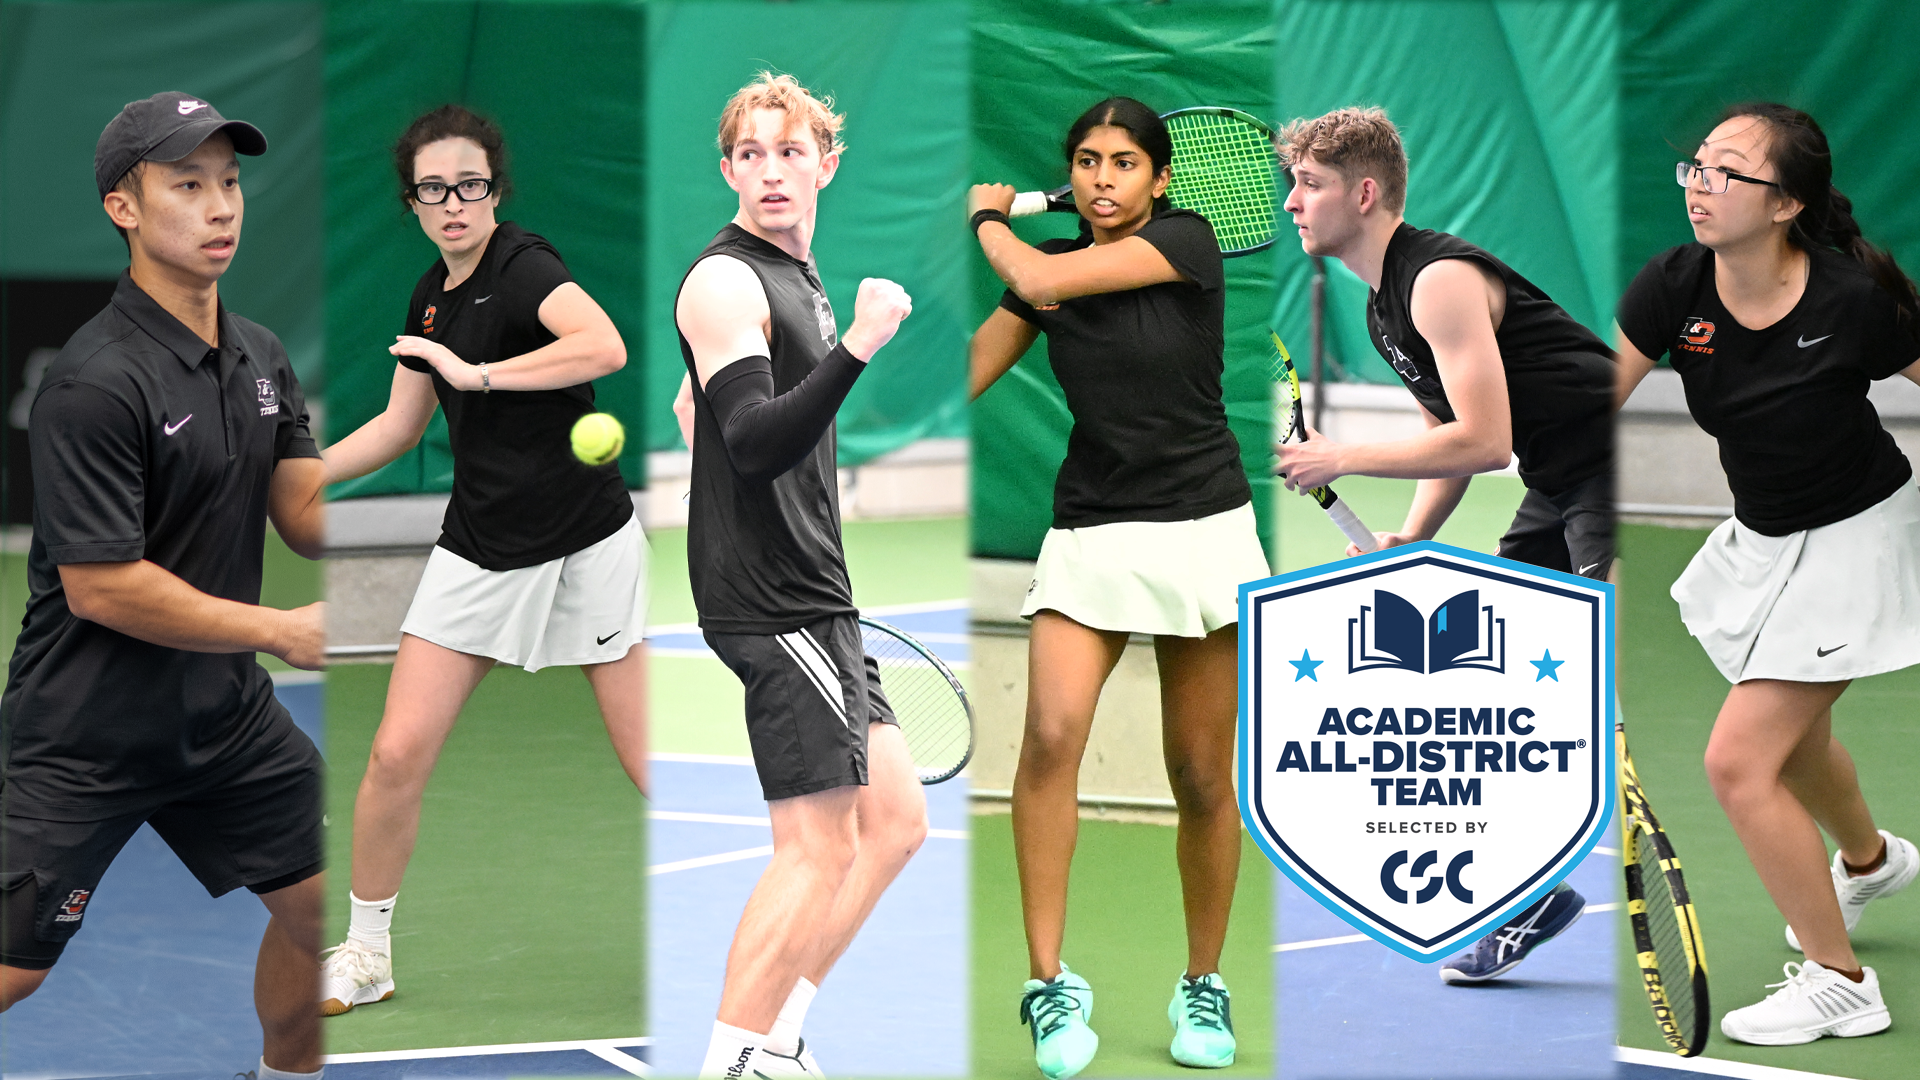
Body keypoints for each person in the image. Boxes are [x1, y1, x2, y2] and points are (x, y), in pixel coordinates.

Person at [0, 92, 327, 1079]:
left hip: (224, 722)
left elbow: (306, 515)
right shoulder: (93, 383)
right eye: (187, 185)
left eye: (229, 183)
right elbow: (104, 587)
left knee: (330, 917)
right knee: (15, 974)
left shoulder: (261, 356)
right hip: (85, 736)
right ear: (124, 208)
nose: (220, 206)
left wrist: (447, 470)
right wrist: (276, 627)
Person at [316, 104, 647, 1016]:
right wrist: (295, 474)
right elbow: (396, 426)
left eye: (470, 185)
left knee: (653, 762)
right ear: (412, 202)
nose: (454, 202)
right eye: (434, 189)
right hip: (482, 546)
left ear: (495, 190)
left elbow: (604, 345)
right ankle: (369, 953)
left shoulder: (524, 263)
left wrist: (480, 376)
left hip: (588, 544)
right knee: (393, 754)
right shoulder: (429, 295)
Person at [1274, 105, 1608, 983]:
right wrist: (1412, 535)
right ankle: (1531, 894)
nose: (1292, 205)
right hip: (1557, 479)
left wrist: (1341, 455)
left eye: (1310, 185)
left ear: (1366, 191)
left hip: (1609, 469)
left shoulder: (1436, 279)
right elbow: (1445, 434)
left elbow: (1483, 439)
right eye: (1293, 185)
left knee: (1598, 688)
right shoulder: (1386, 305)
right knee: (1514, 694)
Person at [1615, 103, 1920, 1045]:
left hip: (1859, 531)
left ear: (1786, 203)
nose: (1701, 185)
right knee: (1795, 739)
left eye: (1728, 172)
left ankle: (1841, 985)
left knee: (1740, 761)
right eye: (1695, 166)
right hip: (1764, 533)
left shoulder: (1849, 301)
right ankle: (1869, 863)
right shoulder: (1673, 285)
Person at [968, 97, 1255, 1077]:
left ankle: (1202, 983)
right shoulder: (1044, 279)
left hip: (1204, 527)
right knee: (1050, 734)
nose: (1100, 178)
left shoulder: (1187, 240)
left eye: (1123, 162)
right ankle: (1050, 985)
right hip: (1092, 528)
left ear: (1159, 178)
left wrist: (986, 219)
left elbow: (1039, 269)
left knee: (1202, 774)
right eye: (1086, 161)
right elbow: (972, 363)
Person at [674, 72, 926, 1078]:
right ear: (728, 168)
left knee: (896, 824)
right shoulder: (727, 279)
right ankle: (730, 1062)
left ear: (827, 162)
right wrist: (862, 344)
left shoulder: (798, 277)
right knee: (816, 846)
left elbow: (705, 417)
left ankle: (777, 1034)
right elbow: (751, 442)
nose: (771, 171)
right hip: (771, 601)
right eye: (750, 154)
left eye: (791, 152)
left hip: (819, 592)